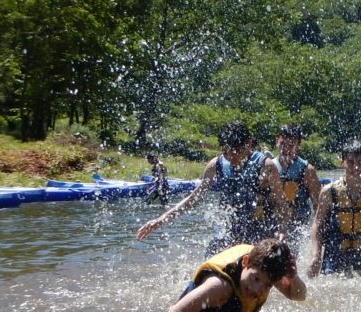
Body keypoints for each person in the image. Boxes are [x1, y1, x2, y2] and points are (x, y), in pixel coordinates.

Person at [137, 122, 289, 255]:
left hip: (261, 231)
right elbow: (192, 200)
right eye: (226, 152)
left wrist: (282, 232)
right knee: (210, 263)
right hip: (231, 230)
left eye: (236, 152)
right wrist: (159, 220)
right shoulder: (215, 165)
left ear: (248, 144)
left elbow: (281, 204)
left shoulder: (266, 166)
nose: (231, 158)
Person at [307, 140, 361, 277]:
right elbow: (317, 225)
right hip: (333, 256)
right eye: (351, 162)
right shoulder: (329, 192)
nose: (356, 167)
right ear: (342, 163)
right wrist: (315, 256)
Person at [171, 238, 305, 312]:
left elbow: (298, 296)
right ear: (245, 262)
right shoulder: (218, 287)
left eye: (267, 286)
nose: (258, 289)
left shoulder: (266, 270)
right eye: (256, 279)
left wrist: (293, 277)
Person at [270, 125, 321, 237]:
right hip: (272, 223)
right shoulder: (269, 166)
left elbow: (318, 205)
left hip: (297, 226)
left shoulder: (307, 170)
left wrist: (316, 231)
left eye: (291, 145)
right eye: (283, 144)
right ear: (276, 141)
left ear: (298, 144)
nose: (286, 149)